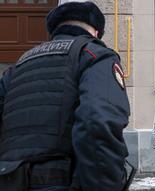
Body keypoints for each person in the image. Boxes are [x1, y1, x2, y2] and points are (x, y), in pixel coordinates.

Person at [0, 2, 131, 191]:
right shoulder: (95, 55)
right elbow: (98, 123)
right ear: (95, 32)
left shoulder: (18, 67)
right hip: (61, 180)